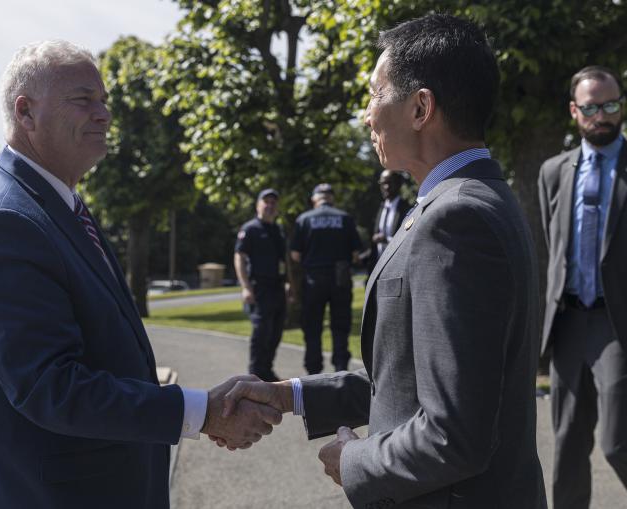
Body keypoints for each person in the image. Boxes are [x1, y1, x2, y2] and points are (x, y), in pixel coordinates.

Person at [222, 14, 546, 509]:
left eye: (375, 93)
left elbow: (453, 434)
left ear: (421, 108)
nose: (367, 115)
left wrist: (354, 461)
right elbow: (408, 381)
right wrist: (288, 394)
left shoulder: (456, 218)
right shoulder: (471, 201)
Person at [0, 40, 280, 509]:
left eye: (104, 101)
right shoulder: (3, 224)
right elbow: (51, 388)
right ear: (26, 112)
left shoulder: (54, 205)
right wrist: (201, 413)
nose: (103, 114)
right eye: (83, 100)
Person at [538, 65, 627, 509]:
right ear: (575, 111)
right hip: (569, 321)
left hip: (617, 324)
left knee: (618, 442)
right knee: (568, 445)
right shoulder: (553, 172)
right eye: (591, 107)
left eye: (611, 105)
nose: (602, 116)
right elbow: (551, 250)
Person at [290, 183, 362, 374]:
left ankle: (313, 371)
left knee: (312, 326)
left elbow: (295, 255)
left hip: (313, 279)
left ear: (314, 199)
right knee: (340, 325)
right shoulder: (345, 218)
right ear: (331, 198)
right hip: (340, 279)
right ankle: (341, 368)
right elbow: (356, 254)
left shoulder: (304, 219)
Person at [235, 188, 287, 382]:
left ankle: (266, 370)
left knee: (276, 332)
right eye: (266, 201)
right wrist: (246, 287)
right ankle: (254, 374)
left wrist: (288, 284)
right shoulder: (250, 229)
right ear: (258, 205)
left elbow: (284, 261)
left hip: (278, 288)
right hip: (259, 289)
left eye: (274, 202)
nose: (270, 205)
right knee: (261, 333)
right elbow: (239, 257)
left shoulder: (278, 230)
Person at [362, 169, 411, 274]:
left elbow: (409, 240)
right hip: (378, 267)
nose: (386, 187)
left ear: (399, 184)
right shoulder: (379, 208)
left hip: (398, 267)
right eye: (383, 183)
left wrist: (387, 240)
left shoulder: (407, 209)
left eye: (390, 183)